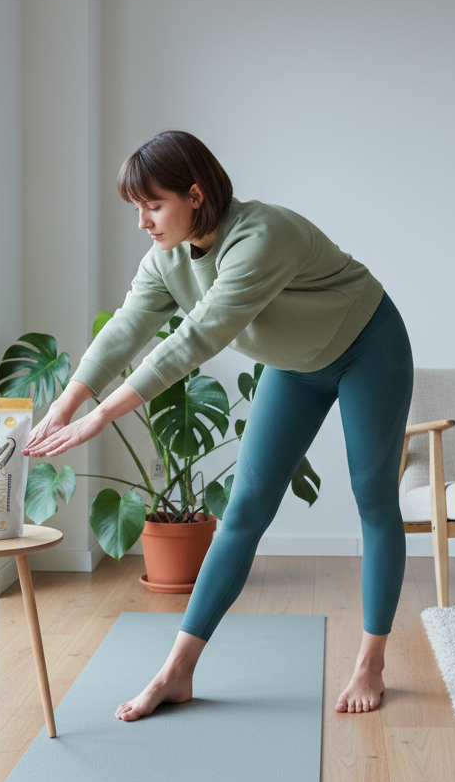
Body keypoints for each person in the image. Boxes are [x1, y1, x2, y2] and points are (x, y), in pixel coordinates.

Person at [24, 131, 414, 719]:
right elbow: (127, 329)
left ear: (196, 195)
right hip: (294, 367)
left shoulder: (262, 236)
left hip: (367, 348)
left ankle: (370, 663)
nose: (143, 222)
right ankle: (176, 671)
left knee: (374, 500)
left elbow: (195, 340)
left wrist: (102, 415)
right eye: (137, 208)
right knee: (246, 507)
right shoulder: (166, 259)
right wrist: (66, 403)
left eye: (153, 206)